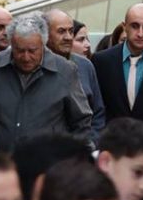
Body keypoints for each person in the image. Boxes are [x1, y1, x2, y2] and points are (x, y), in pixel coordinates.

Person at [0, 14, 93, 152]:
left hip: (47, 161)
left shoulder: (65, 71)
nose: (26, 57)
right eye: (19, 50)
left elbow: (81, 120)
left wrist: (72, 155)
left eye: (32, 51)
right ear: (11, 44)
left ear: (43, 44)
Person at [44, 9, 106, 137]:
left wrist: (91, 143)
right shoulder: (34, 65)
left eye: (71, 31)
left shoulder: (86, 66)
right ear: (45, 34)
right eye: (61, 31)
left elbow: (98, 113)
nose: (68, 37)